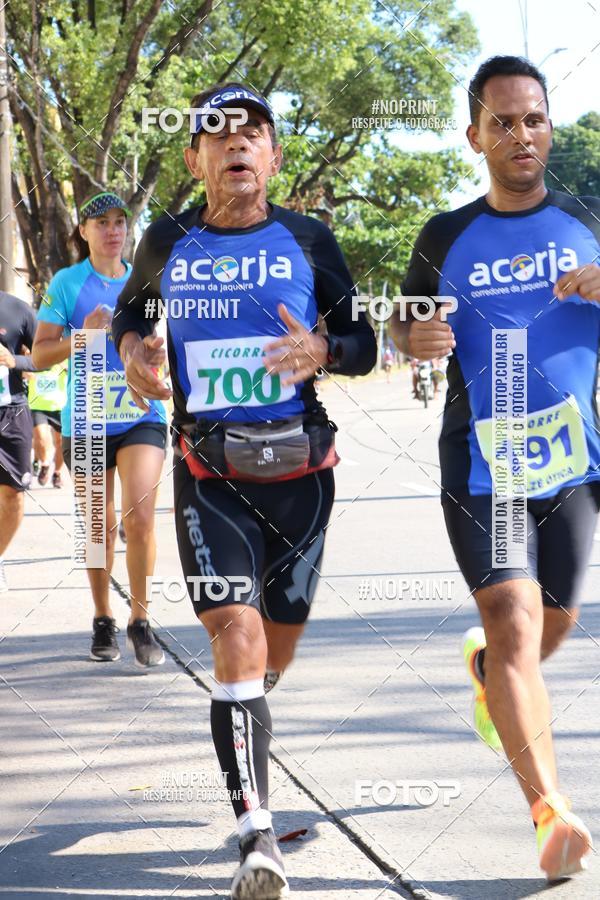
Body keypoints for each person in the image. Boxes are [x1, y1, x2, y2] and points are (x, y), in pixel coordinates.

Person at [112, 82, 376, 899]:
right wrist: (133, 352)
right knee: (236, 634)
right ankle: (256, 834)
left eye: (252, 133)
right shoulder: (168, 239)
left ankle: (247, 725)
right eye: (218, 135)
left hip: (302, 476)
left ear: (273, 155)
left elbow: (364, 344)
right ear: (195, 158)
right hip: (209, 473)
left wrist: (323, 349)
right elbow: (133, 312)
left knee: (272, 651)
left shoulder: (309, 238)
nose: (236, 145)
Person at [391, 55, 598, 882]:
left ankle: (486, 674)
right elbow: (404, 319)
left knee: (550, 627)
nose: (522, 134)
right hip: (482, 462)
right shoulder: (446, 234)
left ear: (550, 125)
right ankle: (549, 813)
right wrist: (415, 336)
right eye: (504, 121)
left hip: (577, 460)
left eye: (535, 118)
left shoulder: (589, 217)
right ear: (474, 135)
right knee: (513, 623)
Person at [32, 190, 167, 667]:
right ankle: (103, 618)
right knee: (98, 528)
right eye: (102, 222)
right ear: (83, 231)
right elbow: (40, 353)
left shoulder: (146, 282)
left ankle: (141, 620)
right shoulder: (66, 283)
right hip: (86, 417)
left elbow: (160, 343)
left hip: (140, 414)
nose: (113, 230)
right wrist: (82, 335)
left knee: (141, 517)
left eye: (119, 222)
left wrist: (154, 354)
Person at [0, 291, 37, 591]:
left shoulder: (17, 309)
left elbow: (46, 356)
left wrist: (16, 360)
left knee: (13, 496)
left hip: (11, 413)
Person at [27, 360, 67, 487]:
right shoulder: (35, 357)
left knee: (61, 441)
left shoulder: (63, 359)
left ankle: (57, 473)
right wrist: (26, 373)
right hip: (38, 406)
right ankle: (45, 464)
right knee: (40, 437)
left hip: (59, 406)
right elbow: (21, 369)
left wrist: (64, 366)